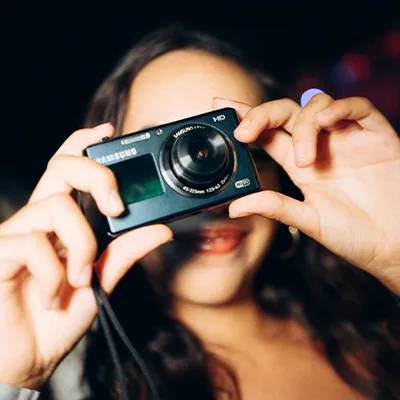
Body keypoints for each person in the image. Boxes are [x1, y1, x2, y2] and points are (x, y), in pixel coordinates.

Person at [0, 24, 399, 400]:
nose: (211, 203)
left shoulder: (373, 314)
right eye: (163, 163)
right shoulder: (87, 383)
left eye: (229, 154)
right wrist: (11, 376)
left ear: (283, 168)